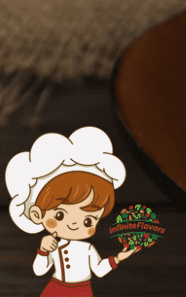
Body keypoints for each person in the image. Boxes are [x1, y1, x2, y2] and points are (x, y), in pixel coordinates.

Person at [6, 127, 140, 296]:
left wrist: (119, 258)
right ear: (37, 215)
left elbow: (98, 270)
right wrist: (43, 251)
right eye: (60, 215)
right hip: (55, 289)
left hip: (83, 291)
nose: (75, 223)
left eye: (88, 220)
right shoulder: (53, 246)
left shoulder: (88, 249)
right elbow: (39, 270)